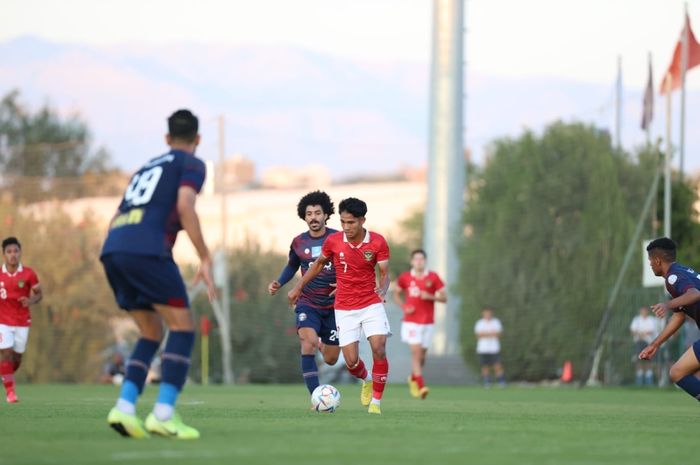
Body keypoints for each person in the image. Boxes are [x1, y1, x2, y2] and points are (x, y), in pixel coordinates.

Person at [101, 109, 216, 439]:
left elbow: (116, 216)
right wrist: (205, 257)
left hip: (113, 247)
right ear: (197, 139)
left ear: (167, 139)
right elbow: (184, 206)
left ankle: (123, 409)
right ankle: (163, 414)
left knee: (150, 332)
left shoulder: (145, 168)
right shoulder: (191, 163)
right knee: (182, 326)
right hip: (147, 250)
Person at [288, 197, 391, 414]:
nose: (346, 227)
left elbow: (384, 274)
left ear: (362, 220)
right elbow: (317, 266)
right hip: (344, 307)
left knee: (379, 348)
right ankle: (367, 379)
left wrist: (382, 289)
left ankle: (376, 403)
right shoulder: (334, 241)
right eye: (343, 222)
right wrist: (298, 287)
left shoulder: (378, 242)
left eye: (351, 223)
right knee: (351, 362)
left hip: (371, 303)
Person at [267, 190, 341, 396]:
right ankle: (316, 396)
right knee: (306, 344)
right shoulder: (299, 242)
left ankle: (320, 341)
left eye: (318, 213)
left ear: (326, 215)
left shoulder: (337, 238)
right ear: (304, 216)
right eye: (309, 214)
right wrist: (279, 282)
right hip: (308, 302)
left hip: (335, 305)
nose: (313, 217)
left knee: (331, 359)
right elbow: (292, 266)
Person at [639, 237, 700, 402]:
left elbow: (694, 294)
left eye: (650, 261)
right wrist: (655, 344)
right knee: (694, 375)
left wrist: (666, 304)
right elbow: (679, 316)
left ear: (658, 260)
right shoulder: (681, 272)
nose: (650, 265)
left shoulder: (673, 277)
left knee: (677, 372)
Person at [393, 249, 446, 399]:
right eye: (416, 259)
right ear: (412, 261)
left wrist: (430, 296)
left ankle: (413, 378)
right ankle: (421, 385)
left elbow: (444, 298)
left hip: (428, 322)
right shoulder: (405, 277)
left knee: (421, 356)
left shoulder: (433, 277)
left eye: (421, 259)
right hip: (411, 322)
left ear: (425, 261)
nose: (419, 262)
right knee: (416, 353)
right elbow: (396, 294)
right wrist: (404, 307)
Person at [0, 237, 43, 403]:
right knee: (6, 353)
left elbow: (39, 293)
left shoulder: (29, 274)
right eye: (9, 252)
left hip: (22, 321)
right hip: (2, 321)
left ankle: (6, 375)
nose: (13, 255)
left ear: (20, 252)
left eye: (15, 251)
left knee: (16, 359)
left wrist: (30, 301)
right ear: (4, 254)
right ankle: (11, 393)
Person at [474, 307, 505, 387]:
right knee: (485, 366)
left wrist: (485, 334)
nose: (487, 315)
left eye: (489, 313)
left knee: (497, 365)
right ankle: (487, 382)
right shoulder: (479, 323)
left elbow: (498, 334)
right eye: (486, 313)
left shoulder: (496, 322)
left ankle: (501, 382)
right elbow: (478, 335)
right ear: (483, 314)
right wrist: (490, 334)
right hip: (483, 349)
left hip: (494, 349)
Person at [629, 306, 659, 386]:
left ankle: (648, 380)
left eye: (645, 311)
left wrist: (640, 333)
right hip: (638, 342)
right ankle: (639, 380)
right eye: (642, 311)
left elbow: (651, 331)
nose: (644, 313)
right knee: (638, 359)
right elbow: (632, 331)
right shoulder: (636, 319)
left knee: (648, 360)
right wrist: (641, 334)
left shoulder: (651, 320)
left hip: (648, 343)